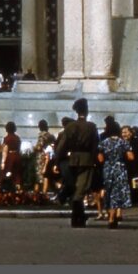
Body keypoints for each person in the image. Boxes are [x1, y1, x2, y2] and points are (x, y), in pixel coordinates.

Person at [55, 98, 100, 228]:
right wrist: (95, 160)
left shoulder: (70, 126)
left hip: (72, 159)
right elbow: (95, 145)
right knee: (80, 190)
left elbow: (61, 147)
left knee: (75, 188)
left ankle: (78, 217)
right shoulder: (91, 127)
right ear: (86, 111)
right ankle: (77, 217)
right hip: (86, 160)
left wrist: (58, 161)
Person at [97, 121, 131, 228]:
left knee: (108, 191)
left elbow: (100, 158)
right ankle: (113, 217)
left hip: (107, 168)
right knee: (117, 193)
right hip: (119, 168)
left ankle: (109, 215)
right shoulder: (123, 142)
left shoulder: (104, 142)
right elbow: (131, 157)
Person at [33, 119, 56, 194]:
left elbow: (39, 146)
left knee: (40, 174)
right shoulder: (50, 135)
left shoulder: (41, 135)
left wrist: (34, 148)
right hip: (49, 155)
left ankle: (39, 192)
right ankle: (44, 192)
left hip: (41, 156)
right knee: (46, 174)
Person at [0, 121, 23, 191]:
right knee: (16, 174)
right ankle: (18, 188)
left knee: (7, 173)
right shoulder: (17, 138)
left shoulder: (7, 138)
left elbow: (5, 150)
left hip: (10, 157)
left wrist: (3, 162)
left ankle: (6, 189)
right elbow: (19, 148)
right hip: (17, 156)